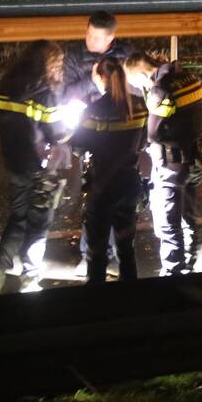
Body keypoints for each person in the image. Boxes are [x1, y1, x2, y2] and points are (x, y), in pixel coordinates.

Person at [0, 40, 70, 295]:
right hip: (40, 168)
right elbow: (56, 133)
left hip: (13, 161)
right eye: (58, 63)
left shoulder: (6, 86)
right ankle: (29, 278)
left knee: (17, 218)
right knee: (38, 224)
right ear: (49, 64)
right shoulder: (45, 92)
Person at [63, 10, 134, 276]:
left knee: (112, 202)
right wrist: (91, 84)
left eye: (96, 37)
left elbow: (135, 88)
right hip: (93, 132)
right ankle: (92, 255)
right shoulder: (75, 57)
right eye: (88, 33)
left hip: (121, 134)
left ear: (111, 38)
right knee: (96, 198)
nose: (90, 40)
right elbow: (65, 93)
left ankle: (111, 258)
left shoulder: (126, 55)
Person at [124, 51, 202, 276]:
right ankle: (189, 261)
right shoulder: (191, 79)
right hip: (195, 158)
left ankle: (173, 272)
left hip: (171, 165)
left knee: (168, 221)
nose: (137, 87)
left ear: (141, 73)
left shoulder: (159, 91)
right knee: (187, 213)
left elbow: (152, 134)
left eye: (135, 82)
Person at [70, 57, 147, 283]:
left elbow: (78, 146)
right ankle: (130, 294)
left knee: (97, 250)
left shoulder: (94, 110)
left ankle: (98, 297)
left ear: (102, 78)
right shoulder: (139, 105)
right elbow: (143, 142)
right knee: (126, 248)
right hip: (130, 183)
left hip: (102, 185)